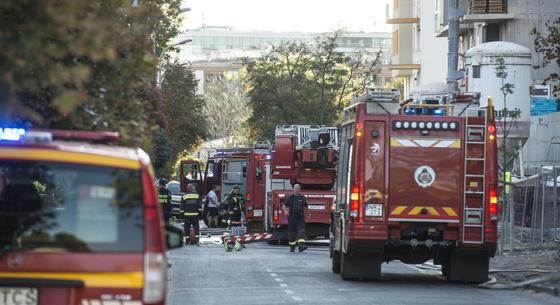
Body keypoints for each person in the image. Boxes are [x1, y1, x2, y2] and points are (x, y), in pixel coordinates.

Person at [283, 184, 310, 252]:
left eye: (298, 189)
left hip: (300, 217)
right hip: (292, 218)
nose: (297, 190)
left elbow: (306, 206)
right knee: (291, 233)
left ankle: (301, 246)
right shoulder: (290, 197)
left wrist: (308, 213)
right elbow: (284, 205)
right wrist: (285, 211)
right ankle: (292, 247)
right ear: (293, 189)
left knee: (301, 231)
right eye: (295, 189)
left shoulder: (302, 197)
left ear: (300, 190)